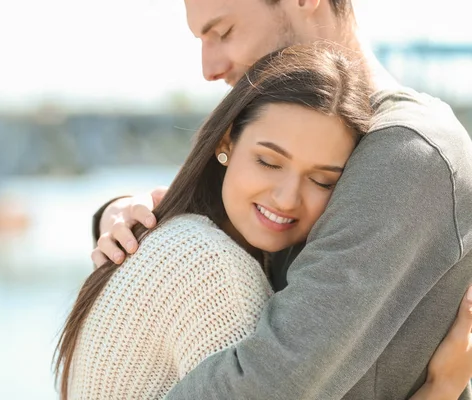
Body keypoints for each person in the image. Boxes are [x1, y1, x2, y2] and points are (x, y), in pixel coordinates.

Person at [91, 0, 472, 399]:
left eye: (223, 32)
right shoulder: (310, 131)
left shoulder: (407, 150)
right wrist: (123, 218)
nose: (209, 69)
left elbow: (270, 384)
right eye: (268, 161)